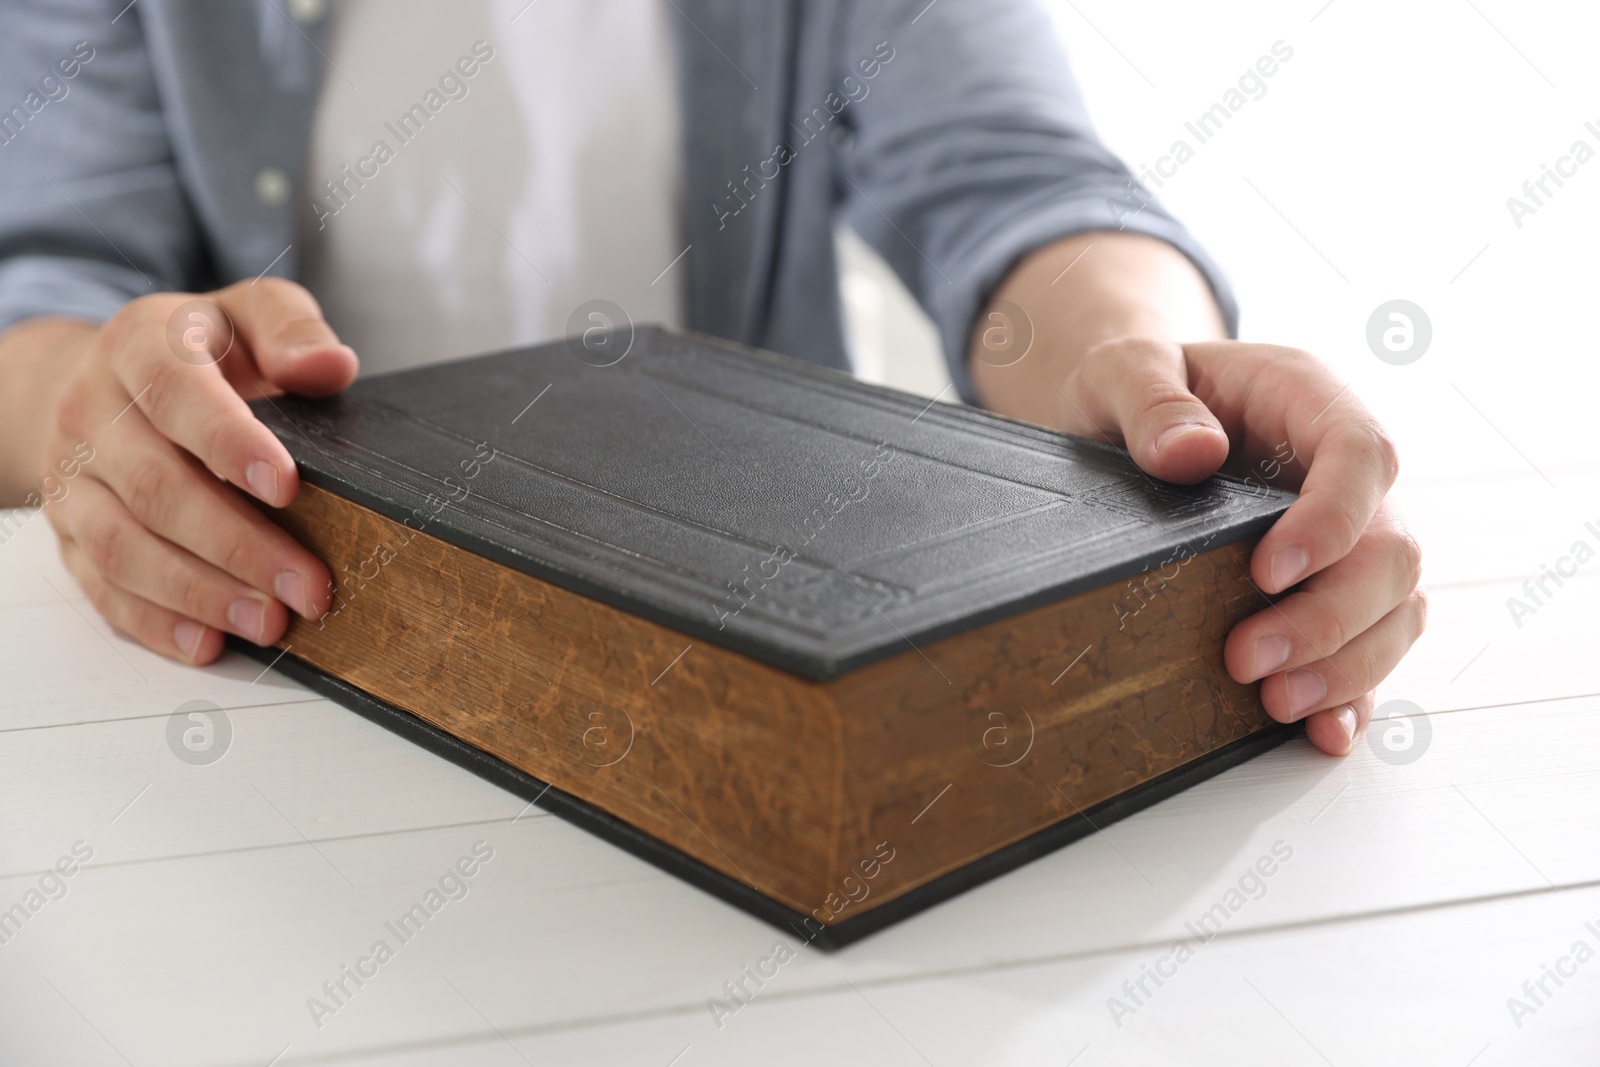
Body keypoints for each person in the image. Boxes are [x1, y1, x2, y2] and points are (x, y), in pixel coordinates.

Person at [0, 0, 1422, 758]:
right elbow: (44, 284)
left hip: (766, 670)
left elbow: (1012, 179)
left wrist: (1140, 353)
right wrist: (91, 413)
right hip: (293, 669)